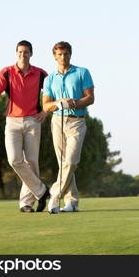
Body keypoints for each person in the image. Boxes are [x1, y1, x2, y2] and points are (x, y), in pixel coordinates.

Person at [0, 40, 50, 213]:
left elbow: (52, 94)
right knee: (14, 160)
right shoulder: (6, 72)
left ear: (31, 54)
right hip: (12, 121)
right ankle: (41, 191)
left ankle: (26, 203)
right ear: (16, 53)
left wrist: (45, 112)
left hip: (33, 120)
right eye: (20, 52)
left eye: (26, 52)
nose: (22, 55)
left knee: (32, 161)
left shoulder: (41, 74)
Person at [42, 41, 94, 214]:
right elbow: (45, 105)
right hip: (57, 122)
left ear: (70, 54)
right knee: (63, 163)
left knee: (71, 161)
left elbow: (90, 98)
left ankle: (54, 195)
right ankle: (71, 202)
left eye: (66, 54)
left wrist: (76, 102)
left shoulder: (82, 72)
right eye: (59, 54)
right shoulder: (49, 79)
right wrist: (58, 103)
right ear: (54, 56)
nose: (63, 57)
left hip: (77, 121)